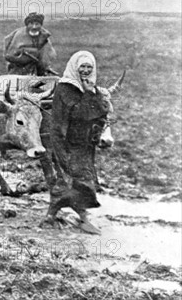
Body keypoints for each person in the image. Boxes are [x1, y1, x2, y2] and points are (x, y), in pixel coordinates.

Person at [43, 51, 113, 235]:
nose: (85, 70)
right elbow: (76, 115)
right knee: (80, 181)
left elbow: (101, 111)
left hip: (84, 144)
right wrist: (90, 95)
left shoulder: (90, 87)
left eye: (89, 67)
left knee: (76, 181)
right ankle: (81, 218)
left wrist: (93, 94)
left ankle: (53, 215)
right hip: (67, 143)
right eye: (82, 67)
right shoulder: (66, 89)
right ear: (74, 67)